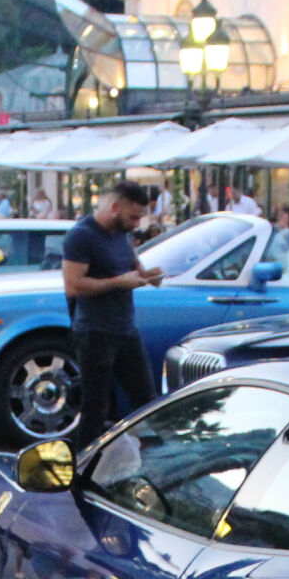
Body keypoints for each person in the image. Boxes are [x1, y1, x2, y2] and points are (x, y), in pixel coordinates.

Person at [62, 179, 164, 450]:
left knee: (146, 399)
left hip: (125, 329)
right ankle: (84, 465)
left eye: (140, 217)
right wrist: (119, 282)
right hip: (95, 332)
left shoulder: (122, 235)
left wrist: (149, 276)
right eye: (133, 216)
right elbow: (73, 285)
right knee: (96, 406)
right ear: (116, 207)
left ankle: (148, 460)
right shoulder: (82, 236)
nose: (137, 224)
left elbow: (134, 269)